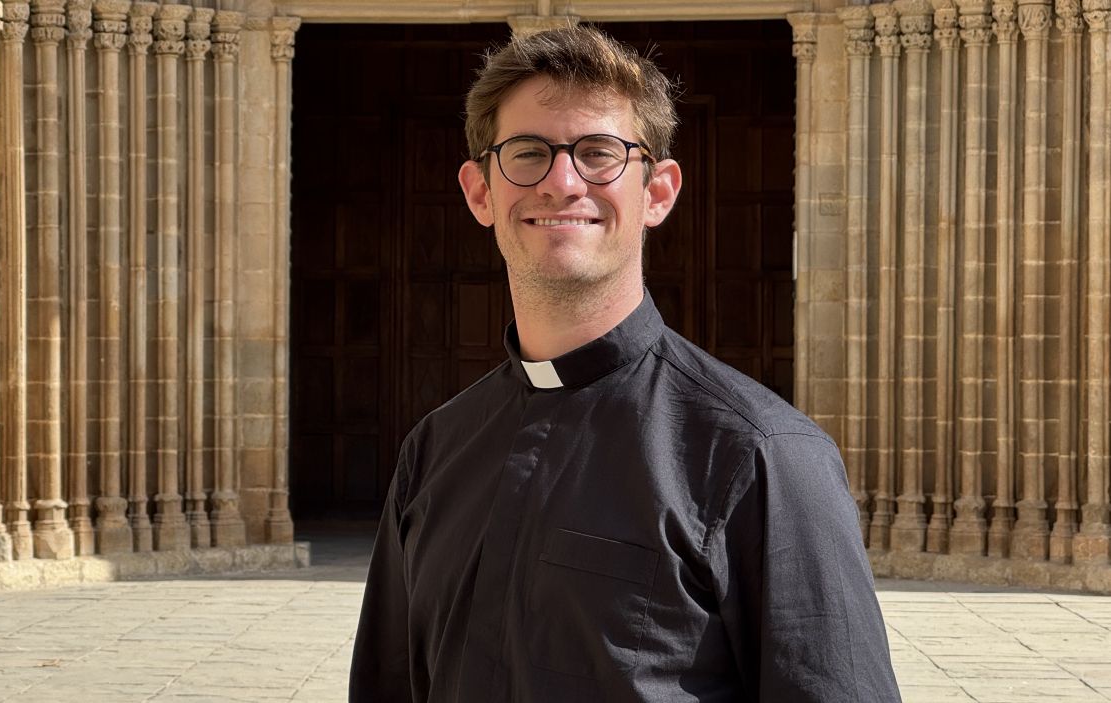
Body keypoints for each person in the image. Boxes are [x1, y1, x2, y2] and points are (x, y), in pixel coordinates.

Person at [349, 25, 900, 702]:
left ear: (659, 191)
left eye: (598, 152)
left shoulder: (762, 456)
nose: (561, 180)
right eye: (528, 153)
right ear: (479, 192)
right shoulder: (433, 451)